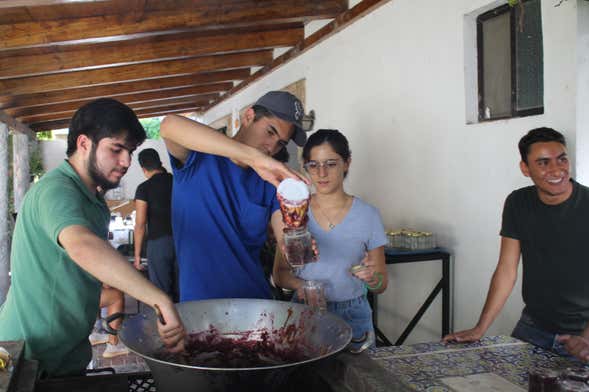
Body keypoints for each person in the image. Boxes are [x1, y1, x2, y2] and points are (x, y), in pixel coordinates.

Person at [0, 98, 185, 377]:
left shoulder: (93, 198)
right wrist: (159, 299)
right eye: (116, 149)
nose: (126, 162)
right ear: (84, 143)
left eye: (130, 151)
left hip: (67, 352)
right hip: (29, 357)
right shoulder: (57, 190)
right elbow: (82, 245)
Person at [443, 127, 589, 359]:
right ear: (525, 168)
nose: (556, 169)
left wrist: (586, 337)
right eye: (543, 163)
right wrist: (480, 328)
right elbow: (506, 270)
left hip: (581, 335)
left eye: (561, 159)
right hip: (534, 326)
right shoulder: (518, 202)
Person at [160, 90, 308, 301]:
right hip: (201, 304)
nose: (272, 147)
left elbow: (285, 234)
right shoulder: (199, 158)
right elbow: (168, 125)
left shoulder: (270, 184)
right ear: (248, 117)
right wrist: (255, 158)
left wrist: (296, 240)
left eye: (281, 143)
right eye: (270, 132)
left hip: (255, 304)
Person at [273, 129, 388, 351]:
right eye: (313, 165)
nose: (322, 173)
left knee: (358, 381)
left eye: (331, 164)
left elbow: (382, 283)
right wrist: (302, 286)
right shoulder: (294, 212)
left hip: (353, 315)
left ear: (347, 163)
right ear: (305, 166)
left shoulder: (368, 215)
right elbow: (280, 274)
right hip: (304, 311)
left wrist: (373, 279)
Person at [134, 148, 177, 301]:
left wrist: (137, 256)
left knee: (161, 293)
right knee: (182, 289)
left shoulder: (144, 188)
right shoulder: (177, 181)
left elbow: (140, 224)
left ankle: (167, 324)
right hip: (183, 241)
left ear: (143, 169)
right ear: (160, 163)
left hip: (159, 244)